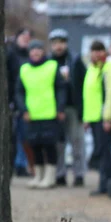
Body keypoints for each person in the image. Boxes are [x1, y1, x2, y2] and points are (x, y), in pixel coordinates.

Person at [16, 40, 66, 189]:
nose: (35, 52)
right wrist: (23, 109)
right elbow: (19, 91)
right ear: (29, 52)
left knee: (49, 145)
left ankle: (50, 177)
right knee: (34, 145)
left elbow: (61, 88)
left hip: (49, 113)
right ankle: (38, 175)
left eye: (38, 49)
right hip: (31, 114)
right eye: (32, 50)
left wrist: (60, 108)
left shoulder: (52, 66)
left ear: (43, 52)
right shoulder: (24, 69)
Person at [48, 28, 87, 187]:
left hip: (73, 107)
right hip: (55, 109)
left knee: (77, 142)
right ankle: (60, 174)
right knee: (58, 144)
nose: (59, 46)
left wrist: (83, 110)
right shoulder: (48, 63)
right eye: (55, 43)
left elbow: (85, 85)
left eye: (61, 43)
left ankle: (79, 174)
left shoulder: (75, 61)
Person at [82, 40, 111, 195]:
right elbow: (88, 94)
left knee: (104, 151)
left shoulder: (108, 68)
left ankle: (106, 184)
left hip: (103, 117)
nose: (96, 54)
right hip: (93, 117)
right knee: (102, 150)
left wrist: (108, 117)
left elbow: (109, 93)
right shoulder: (92, 68)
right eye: (94, 51)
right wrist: (86, 117)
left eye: (99, 50)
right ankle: (108, 183)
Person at [7, 28, 33, 177]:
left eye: (28, 37)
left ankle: (21, 164)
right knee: (13, 136)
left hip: (27, 101)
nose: (26, 39)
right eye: (23, 36)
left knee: (24, 135)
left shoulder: (30, 56)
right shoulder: (10, 54)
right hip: (13, 100)